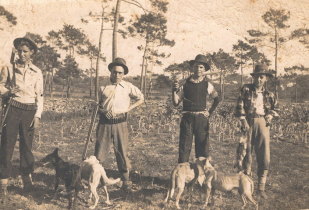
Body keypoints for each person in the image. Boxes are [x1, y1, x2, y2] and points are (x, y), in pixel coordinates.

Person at [0, 37, 43, 203]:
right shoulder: (9, 68)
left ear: (32, 53)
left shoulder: (37, 71)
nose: (22, 54)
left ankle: (27, 180)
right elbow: (0, 85)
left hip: (30, 111)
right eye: (19, 51)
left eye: (25, 51)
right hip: (12, 109)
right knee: (7, 145)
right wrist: (8, 91)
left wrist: (37, 115)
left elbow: (40, 95)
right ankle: (3, 183)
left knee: (27, 147)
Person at [94, 57, 144, 191]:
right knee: (100, 152)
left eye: (120, 73)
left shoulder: (128, 87)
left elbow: (141, 98)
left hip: (120, 124)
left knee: (122, 152)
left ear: (124, 74)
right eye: (114, 72)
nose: (117, 75)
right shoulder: (103, 87)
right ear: (110, 72)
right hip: (104, 124)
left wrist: (128, 109)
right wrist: (103, 111)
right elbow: (96, 105)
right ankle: (97, 179)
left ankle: (126, 180)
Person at [235, 64, 279, 199]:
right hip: (247, 121)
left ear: (265, 78)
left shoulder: (270, 94)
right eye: (257, 77)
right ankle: (243, 185)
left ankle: (261, 187)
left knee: (264, 154)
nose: (259, 80)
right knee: (244, 152)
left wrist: (270, 115)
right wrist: (243, 121)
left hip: (262, 123)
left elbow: (276, 108)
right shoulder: (246, 89)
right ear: (253, 78)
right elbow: (239, 106)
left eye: (261, 77)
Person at [172, 54, 220, 163]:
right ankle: (183, 174)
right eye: (196, 66)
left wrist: (210, 112)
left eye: (201, 67)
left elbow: (217, 99)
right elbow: (175, 103)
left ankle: (201, 177)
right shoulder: (185, 84)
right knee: (184, 147)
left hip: (201, 119)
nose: (198, 69)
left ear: (204, 69)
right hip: (187, 119)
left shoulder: (207, 84)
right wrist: (173, 91)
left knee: (202, 148)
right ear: (192, 68)